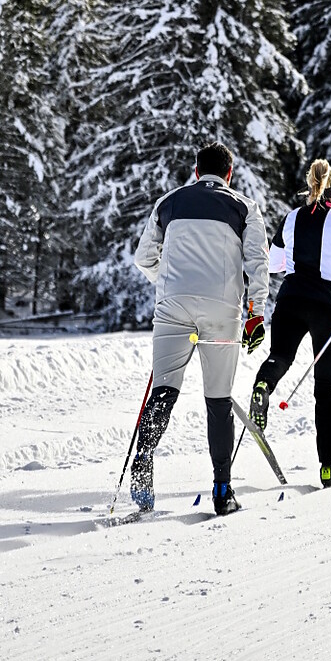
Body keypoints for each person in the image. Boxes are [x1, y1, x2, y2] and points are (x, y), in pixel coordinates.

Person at [130, 141, 269, 516]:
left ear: (196, 171)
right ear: (229, 174)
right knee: (218, 400)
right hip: (222, 310)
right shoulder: (244, 207)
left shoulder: (169, 202)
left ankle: (143, 462)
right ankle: (222, 491)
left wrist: (168, 283)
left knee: (163, 390)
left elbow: (143, 258)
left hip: (173, 306)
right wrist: (256, 313)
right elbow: (258, 263)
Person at [250, 158, 331, 487]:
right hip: (326, 305)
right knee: (326, 388)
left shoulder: (291, 218)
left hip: (291, 299)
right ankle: (327, 468)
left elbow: (275, 263)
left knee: (280, 356)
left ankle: (263, 386)